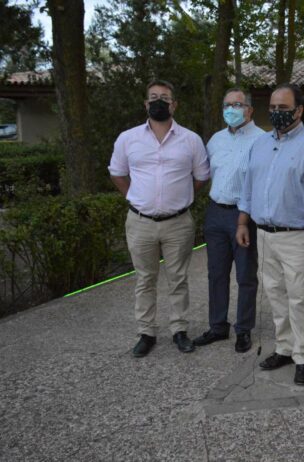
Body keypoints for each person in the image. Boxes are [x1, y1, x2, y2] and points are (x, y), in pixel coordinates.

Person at [236, 83, 304, 385]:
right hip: (264, 234)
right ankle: (285, 347)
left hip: (299, 236)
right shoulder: (260, 144)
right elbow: (248, 187)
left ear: (299, 111)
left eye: (283, 108)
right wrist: (242, 223)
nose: (276, 112)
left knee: (300, 298)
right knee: (275, 294)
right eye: (273, 108)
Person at [108, 79, 210, 358]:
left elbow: (201, 177)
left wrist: (181, 197)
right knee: (145, 279)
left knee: (178, 278)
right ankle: (146, 332)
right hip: (140, 222)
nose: (158, 101)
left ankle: (179, 329)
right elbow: (117, 173)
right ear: (145, 103)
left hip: (178, 223)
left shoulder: (191, 140)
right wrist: (134, 197)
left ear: (174, 105)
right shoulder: (128, 138)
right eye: (153, 97)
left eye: (164, 97)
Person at [193, 88, 264, 353]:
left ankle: (243, 329)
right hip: (215, 213)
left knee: (245, 275)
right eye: (227, 105)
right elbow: (205, 174)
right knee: (216, 273)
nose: (231, 109)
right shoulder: (216, 140)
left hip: (243, 215)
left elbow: (259, 184)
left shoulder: (262, 140)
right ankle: (217, 326)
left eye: (237, 104)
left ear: (250, 110)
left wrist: (244, 219)